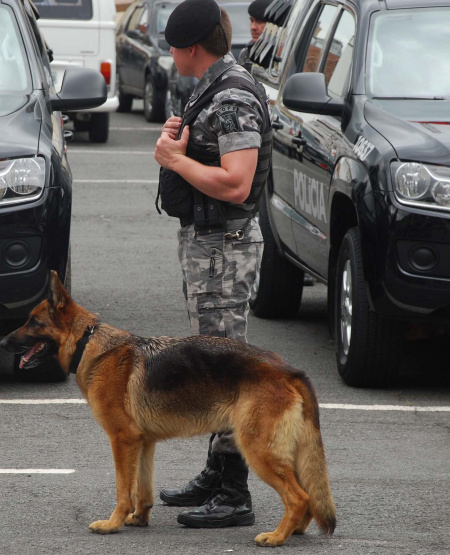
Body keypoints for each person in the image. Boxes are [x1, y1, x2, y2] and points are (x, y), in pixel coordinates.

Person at [152, 0, 272, 529]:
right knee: (211, 360)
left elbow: (237, 182)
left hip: (225, 248)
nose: (171, 55)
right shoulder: (214, 85)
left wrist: (176, 160)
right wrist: (177, 144)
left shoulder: (232, 97)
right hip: (210, 246)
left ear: (192, 47)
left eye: (174, 46)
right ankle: (216, 470)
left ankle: (235, 491)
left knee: (225, 369)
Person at [236, 0, 273, 70]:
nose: (253, 27)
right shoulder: (247, 52)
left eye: (259, 22)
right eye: (251, 21)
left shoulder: (282, 52)